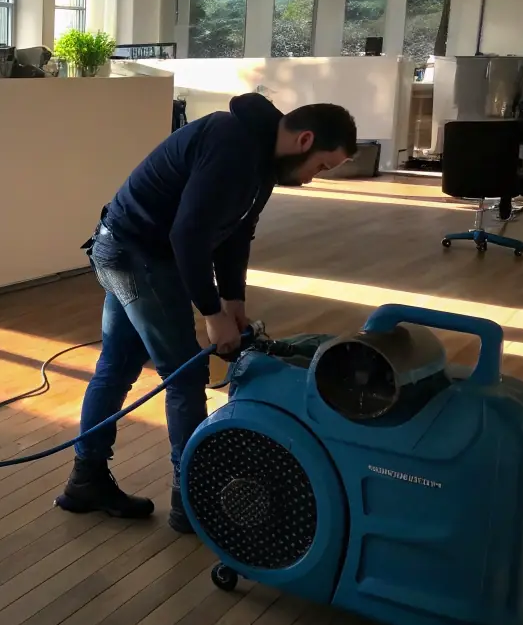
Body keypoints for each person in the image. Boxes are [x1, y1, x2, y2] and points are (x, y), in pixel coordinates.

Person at [59, 94, 357, 529]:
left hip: (142, 249)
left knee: (119, 364)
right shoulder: (231, 142)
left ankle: (86, 480)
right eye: (322, 166)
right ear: (305, 140)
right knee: (183, 374)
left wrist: (234, 302)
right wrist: (212, 312)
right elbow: (188, 235)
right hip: (134, 251)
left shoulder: (264, 160)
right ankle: (191, 501)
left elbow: (237, 233)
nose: (315, 178)